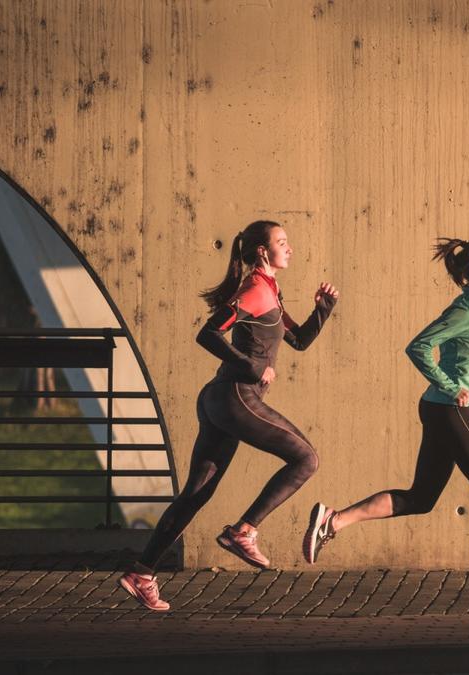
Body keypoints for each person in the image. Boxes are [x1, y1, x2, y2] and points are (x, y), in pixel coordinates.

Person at [118, 220, 339, 611]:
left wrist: (322, 311)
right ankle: (244, 531)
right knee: (306, 459)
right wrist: (250, 368)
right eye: (282, 242)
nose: (289, 248)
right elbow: (208, 333)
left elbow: (299, 341)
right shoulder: (254, 290)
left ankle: (142, 572)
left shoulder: (269, 290)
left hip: (221, 400)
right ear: (261, 251)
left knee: (196, 494)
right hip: (236, 396)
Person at [303, 238, 469, 610]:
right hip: (449, 410)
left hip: (443, 408)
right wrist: (449, 386)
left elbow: (467, 362)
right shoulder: (467, 309)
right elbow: (418, 346)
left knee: (422, 498)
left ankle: (333, 521)